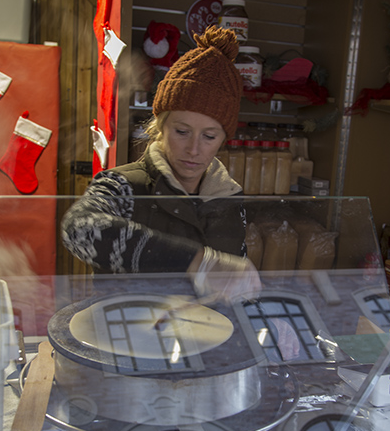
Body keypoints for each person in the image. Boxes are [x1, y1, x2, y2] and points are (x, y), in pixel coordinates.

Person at [61, 26, 260, 303]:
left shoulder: (228, 197)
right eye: (181, 131)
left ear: (223, 139)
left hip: (202, 338)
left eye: (209, 136)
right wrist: (198, 261)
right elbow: (79, 228)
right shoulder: (122, 185)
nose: (193, 148)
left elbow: (235, 284)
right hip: (127, 335)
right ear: (161, 126)